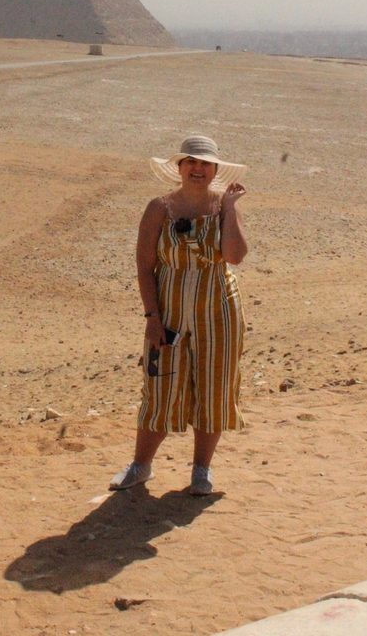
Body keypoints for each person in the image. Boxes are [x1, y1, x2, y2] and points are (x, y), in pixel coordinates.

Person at [110, 135, 248, 496]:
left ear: (215, 170)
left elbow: (234, 256)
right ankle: (141, 466)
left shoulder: (223, 206)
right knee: (160, 387)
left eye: (204, 164)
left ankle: (201, 471)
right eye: (191, 162)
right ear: (179, 168)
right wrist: (151, 316)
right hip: (169, 310)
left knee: (213, 389)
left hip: (217, 311)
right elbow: (144, 266)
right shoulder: (159, 208)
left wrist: (230, 210)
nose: (197, 169)